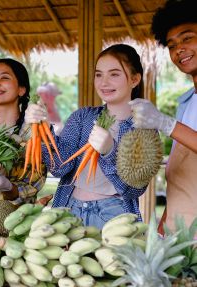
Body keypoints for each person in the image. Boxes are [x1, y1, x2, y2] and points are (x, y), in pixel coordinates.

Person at [25, 44, 148, 229]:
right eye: (99, 74)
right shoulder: (83, 117)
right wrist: (42, 130)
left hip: (114, 215)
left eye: (114, 74)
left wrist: (110, 151)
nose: (104, 82)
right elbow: (60, 167)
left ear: (135, 79)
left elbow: (134, 189)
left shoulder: (143, 128)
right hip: (70, 209)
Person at [129, 0, 197, 232]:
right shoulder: (186, 101)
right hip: (178, 230)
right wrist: (162, 226)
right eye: (171, 45)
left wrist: (165, 123)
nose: (179, 49)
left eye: (187, 38)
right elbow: (180, 179)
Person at [0, 58, 47, 207]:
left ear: (21, 89)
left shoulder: (34, 132)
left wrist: (9, 187)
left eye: (4, 77)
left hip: (13, 222)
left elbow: (33, 186)